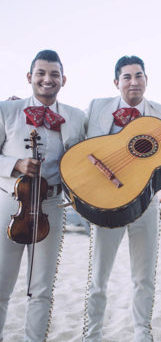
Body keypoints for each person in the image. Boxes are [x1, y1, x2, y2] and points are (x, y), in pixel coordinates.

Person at [83, 55, 161, 342]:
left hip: (146, 204)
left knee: (144, 276)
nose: (134, 82)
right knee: (98, 277)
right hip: (106, 205)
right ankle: (92, 333)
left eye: (139, 76)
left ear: (146, 79)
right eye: (127, 77)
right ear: (116, 82)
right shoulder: (97, 108)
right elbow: (81, 148)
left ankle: (142, 332)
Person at [0, 50, 86, 341]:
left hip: (51, 206)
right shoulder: (6, 110)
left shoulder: (76, 117)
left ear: (63, 79)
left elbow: (84, 158)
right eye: (41, 73)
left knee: (42, 289)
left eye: (54, 74)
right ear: (29, 77)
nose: (47, 79)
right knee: (0, 285)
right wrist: (15, 164)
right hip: (10, 203)